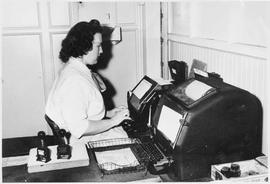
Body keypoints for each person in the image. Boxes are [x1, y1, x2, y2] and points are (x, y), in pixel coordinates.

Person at [45, 19, 130, 145]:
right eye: (98, 46)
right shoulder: (75, 81)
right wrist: (113, 121)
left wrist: (109, 113)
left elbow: (80, 108)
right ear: (84, 46)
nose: (101, 51)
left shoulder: (72, 67)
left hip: (80, 134)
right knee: (132, 142)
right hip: (80, 142)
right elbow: (79, 127)